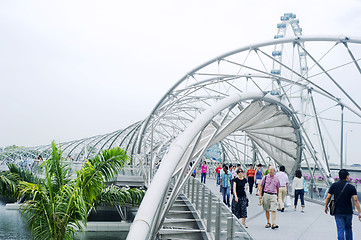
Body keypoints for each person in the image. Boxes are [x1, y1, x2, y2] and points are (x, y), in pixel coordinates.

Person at [325, 169, 361, 240]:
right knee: (348, 228)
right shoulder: (351, 187)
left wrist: (326, 206)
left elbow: (328, 197)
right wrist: (359, 212)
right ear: (347, 176)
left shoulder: (334, 185)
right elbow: (355, 200)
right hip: (348, 212)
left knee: (340, 229)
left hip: (338, 211)